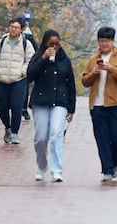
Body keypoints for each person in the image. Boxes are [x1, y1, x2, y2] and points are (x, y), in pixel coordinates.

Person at [82, 26, 117, 182]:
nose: (104, 44)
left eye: (107, 41)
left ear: (113, 41)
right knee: (102, 138)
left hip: (116, 103)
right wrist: (94, 73)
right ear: (98, 42)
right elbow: (85, 81)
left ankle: (116, 162)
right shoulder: (92, 60)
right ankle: (107, 170)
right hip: (97, 105)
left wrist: (111, 68)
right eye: (101, 41)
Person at [27, 29, 76, 182]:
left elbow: (71, 84)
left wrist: (71, 108)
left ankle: (57, 170)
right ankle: (42, 166)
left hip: (60, 101)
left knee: (56, 134)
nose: (54, 47)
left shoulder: (64, 60)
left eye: (57, 44)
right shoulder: (38, 57)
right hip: (41, 101)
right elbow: (29, 75)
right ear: (45, 44)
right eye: (51, 44)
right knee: (41, 137)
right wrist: (43, 58)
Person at [0, 18, 35, 144]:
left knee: (17, 107)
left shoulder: (26, 43)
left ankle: (15, 133)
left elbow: (31, 60)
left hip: (19, 80)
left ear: (21, 30)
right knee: (1, 108)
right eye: (11, 26)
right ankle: (7, 127)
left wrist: (23, 71)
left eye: (16, 27)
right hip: (3, 80)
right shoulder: (3, 41)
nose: (13, 29)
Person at [21, 18, 39, 121]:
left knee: (24, 88)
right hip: (23, 67)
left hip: (26, 68)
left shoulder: (24, 40)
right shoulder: (31, 40)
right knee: (25, 88)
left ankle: (23, 108)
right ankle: (23, 108)